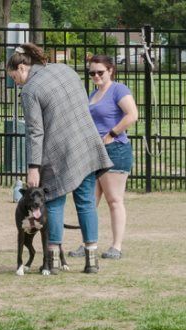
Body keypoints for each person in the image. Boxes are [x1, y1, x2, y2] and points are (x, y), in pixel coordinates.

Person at [6, 44, 112, 273]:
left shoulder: (30, 90)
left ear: (23, 67)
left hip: (56, 154)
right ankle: (91, 260)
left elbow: (35, 131)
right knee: (86, 202)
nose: (15, 82)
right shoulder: (65, 70)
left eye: (14, 77)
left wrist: (33, 167)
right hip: (85, 144)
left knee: (53, 203)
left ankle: (52, 261)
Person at [68, 54, 138, 261]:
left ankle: (116, 246)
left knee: (114, 200)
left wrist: (111, 134)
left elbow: (132, 114)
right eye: (92, 73)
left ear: (111, 71)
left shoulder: (119, 90)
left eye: (100, 72)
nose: (96, 76)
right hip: (94, 150)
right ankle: (88, 243)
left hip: (115, 149)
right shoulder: (93, 94)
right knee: (90, 200)